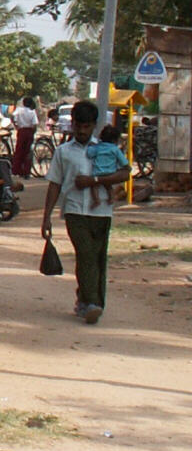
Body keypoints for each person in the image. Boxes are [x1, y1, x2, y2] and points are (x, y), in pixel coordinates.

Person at [41, 99, 131, 325]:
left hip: (101, 211)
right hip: (74, 211)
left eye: (86, 127)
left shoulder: (106, 149)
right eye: (78, 126)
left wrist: (94, 180)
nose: (81, 131)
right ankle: (92, 303)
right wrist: (46, 218)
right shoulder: (63, 152)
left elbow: (125, 173)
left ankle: (88, 301)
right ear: (72, 124)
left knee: (98, 258)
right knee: (86, 254)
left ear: (94, 126)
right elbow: (54, 184)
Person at [11, 95, 40, 178]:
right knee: (28, 152)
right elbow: (34, 124)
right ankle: (26, 172)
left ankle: (16, 170)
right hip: (29, 131)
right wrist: (33, 132)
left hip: (21, 131)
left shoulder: (19, 110)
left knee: (19, 151)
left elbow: (12, 116)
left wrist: (16, 125)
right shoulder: (32, 112)